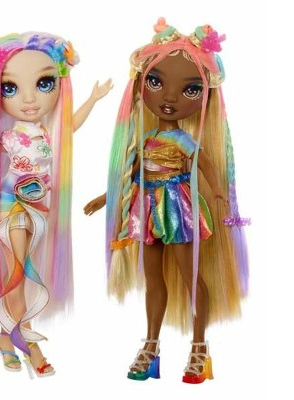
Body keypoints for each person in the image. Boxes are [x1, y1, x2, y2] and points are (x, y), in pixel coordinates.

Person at [0, 32, 112, 378]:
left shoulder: (45, 132)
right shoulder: (8, 135)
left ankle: (6, 338)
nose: (29, 99)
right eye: (11, 88)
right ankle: (27, 340)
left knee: (25, 271)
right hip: (13, 205)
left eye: (44, 84)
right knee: (18, 271)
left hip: (38, 206)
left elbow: (69, 126)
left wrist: (93, 99)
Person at [84, 18, 249, 384]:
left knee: (191, 277)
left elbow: (205, 164)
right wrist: (105, 198)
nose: (170, 98)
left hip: (177, 208)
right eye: (156, 83)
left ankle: (199, 347)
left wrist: (219, 191)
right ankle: (151, 345)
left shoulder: (184, 141)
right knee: (153, 279)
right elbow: (131, 175)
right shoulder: (144, 141)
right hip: (146, 209)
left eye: (190, 90)